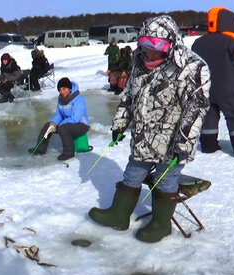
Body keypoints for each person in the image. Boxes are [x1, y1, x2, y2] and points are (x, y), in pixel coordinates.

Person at [88, 15, 210, 243]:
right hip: (144, 139)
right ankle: (119, 214)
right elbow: (129, 98)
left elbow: (197, 107)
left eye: (156, 48)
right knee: (132, 174)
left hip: (174, 142)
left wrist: (184, 142)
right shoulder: (139, 64)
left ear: (171, 44)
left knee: (165, 181)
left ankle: (161, 224)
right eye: (145, 47)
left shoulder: (192, 67)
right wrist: (120, 124)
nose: (150, 54)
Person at [193, 7, 234, 158]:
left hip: (205, 88)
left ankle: (208, 146)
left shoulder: (198, 42)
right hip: (230, 88)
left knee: (208, 116)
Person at [28, 77, 90, 161]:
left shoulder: (79, 99)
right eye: (60, 90)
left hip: (82, 124)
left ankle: (69, 152)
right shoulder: (61, 99)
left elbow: (75, 118)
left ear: (69, 89)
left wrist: (60, 125)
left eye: (64, 89)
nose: (62, 92)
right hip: (67, 124)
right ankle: (40, 148)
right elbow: (59, 114)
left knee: (63, 128)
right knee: (48, 126)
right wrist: (53, 124)